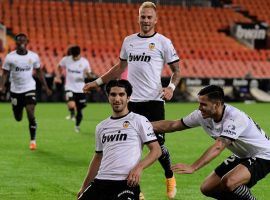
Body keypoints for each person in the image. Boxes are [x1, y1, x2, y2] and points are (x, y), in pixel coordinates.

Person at [83, 2, 181, 198]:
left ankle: (169, 175)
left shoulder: (163, 42)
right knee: (130, 146)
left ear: (155, 19)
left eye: (149, 17)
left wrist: (170, 88)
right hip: (132, 101)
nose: (145, 20)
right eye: (142, 16)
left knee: (158, 147)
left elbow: (177, 71)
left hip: (154, 101)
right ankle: (136, 190)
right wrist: (97, 82)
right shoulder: (129, 41)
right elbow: (119, 68)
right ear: (138, 18)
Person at [152, 85, 270, 200]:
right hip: (243, 155)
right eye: (199, 103)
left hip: (263, 155)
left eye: (204, 104)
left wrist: (193, 167)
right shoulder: (201, 115)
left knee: (229, 182)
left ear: (217, 104)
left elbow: (219, 146)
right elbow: (174, 125)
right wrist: (143, 125)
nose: (199, 108)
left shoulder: (235, 118)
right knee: (208, 188)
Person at [77, 79, 161, 200]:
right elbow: (98, 157)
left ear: (128, 97)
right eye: (113, 94)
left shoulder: (139, 120)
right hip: (101, 181)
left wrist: (139, 168)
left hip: (126, 182)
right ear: (108, 97)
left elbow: (156, 150)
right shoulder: (101, 126)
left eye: (121, 94)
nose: (117, 99)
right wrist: (84, 187)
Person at [0, 33, 52, 150]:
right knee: (18, 117)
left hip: (29, 88)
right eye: (19, 41)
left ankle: (33, 140)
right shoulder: (10, 57)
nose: (22, 43)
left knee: (30, 113)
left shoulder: (33, 56)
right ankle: (17, 110)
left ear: (27, 42)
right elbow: (5, 73)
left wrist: (45, 86)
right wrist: (2, 86)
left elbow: (38, 72)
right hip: (15, 90)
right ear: (16, 43)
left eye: (24, 41)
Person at [54, 45, 97, 133]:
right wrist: (58, 76)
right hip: (69, 87)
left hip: (80, 88)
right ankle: (72, 114)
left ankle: (77, 126)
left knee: (80, 110)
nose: (74, 58)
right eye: (73, 56)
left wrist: (88, 75)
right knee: (71, 104)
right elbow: (59, 66)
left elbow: (89, 74)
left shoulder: (85, 62)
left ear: (79, 54)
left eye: (76, 56)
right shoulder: (66, 59)